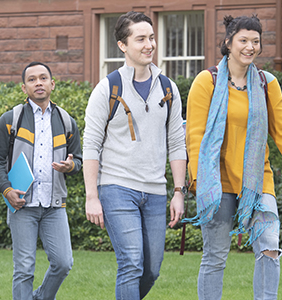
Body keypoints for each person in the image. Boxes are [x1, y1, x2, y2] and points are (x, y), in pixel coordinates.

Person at [183, 15, 282, 300]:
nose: (250, 47)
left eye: (255, 41)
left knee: (269, 246)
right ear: (228, 43)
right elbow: (194, 137)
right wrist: (198, 181)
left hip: (258, 181)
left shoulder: (267, 84)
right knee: (216, 256)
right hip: (217, 182)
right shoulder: (206, 82)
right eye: (243, 40)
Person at [83, 11, 187, 300]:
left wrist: (178, 191)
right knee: (131, 263)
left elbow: (177, 142)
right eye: (140, 39)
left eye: (151, 38)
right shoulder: (107, 88)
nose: (149, 45)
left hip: (155, 190)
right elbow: (91, 145)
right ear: (122, 45)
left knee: (152, 268)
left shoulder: (169, 88)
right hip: (117, 187)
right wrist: (92, 196)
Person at [0, 62, 83, 300]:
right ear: (24, 87)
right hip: (22, 205)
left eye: (43, 78)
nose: (38, 83)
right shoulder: (10, 120)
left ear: (52, 84)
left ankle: (39, 297)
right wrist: (6, 189)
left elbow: (79, 160)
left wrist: (71, 165)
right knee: (23, 269)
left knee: (63, 263)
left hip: (54, 206)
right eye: (32, 79)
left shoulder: (66, 121)